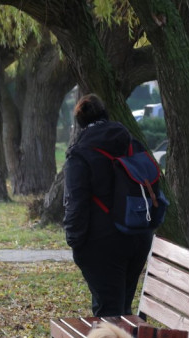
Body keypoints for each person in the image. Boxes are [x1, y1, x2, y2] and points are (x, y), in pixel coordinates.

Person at [62, 93, 155, 317]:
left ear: (80, 123)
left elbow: (76, 203)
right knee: (121, 307)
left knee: (109, 313)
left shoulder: (80, 154)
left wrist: (75, 242)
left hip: (101, 242)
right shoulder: (132, 144)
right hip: (138, 235)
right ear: (106, 115)